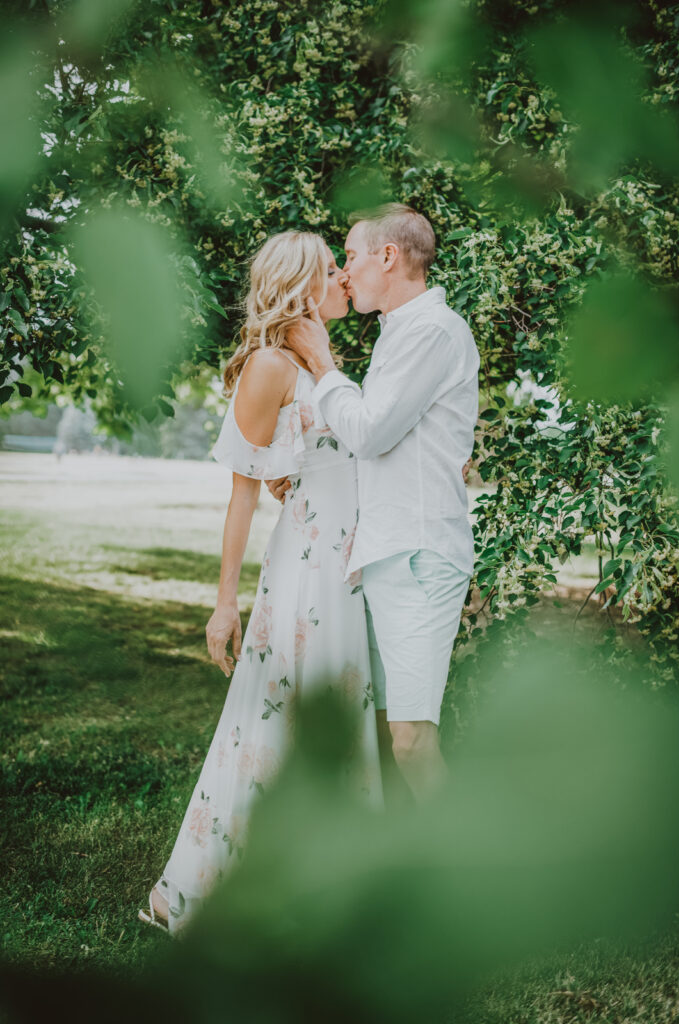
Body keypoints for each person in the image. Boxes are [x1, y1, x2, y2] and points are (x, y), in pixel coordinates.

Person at [138, 231, 383, 935]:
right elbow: (243, 493)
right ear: (302, 288)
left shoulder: (326, 365)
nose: (343, 281)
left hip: (347, 569)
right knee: (269, 726)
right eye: (332, 272)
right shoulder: (272, 365)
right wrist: (223, 605)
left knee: (338, 710)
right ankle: (193, 890)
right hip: (304, 572)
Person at [272, 203, 479, 802]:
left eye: (352, 256)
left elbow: (368, 431)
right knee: (390, 731)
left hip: (416, 553)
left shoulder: (432, 331)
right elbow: (375, 445)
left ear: (389, 257)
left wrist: (322, 360)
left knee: (412, 738)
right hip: (387, 551)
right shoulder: (402, 331)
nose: (343, 274)